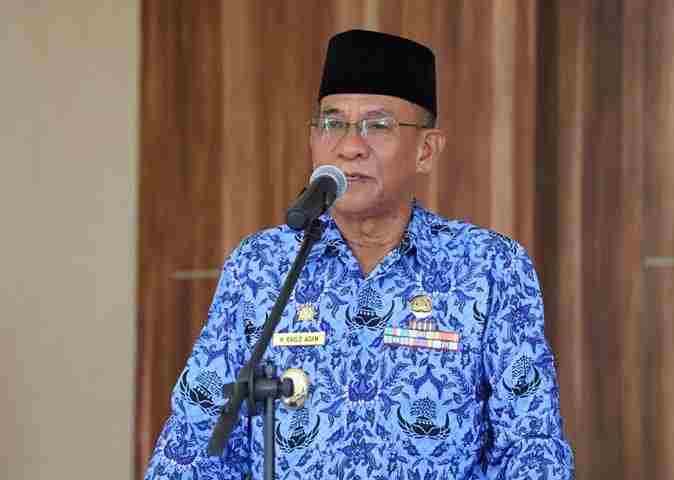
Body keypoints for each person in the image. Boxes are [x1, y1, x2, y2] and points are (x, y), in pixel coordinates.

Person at [145, 29, 575, 479]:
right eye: (332, 124)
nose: (349, 146)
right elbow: (194, 441)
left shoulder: (488, 266)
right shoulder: (262, 265)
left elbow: (531, 444)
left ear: (426, 150)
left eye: (378, 125)